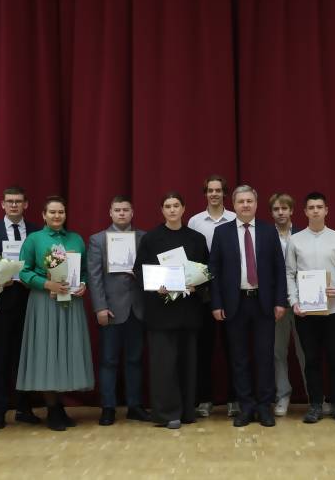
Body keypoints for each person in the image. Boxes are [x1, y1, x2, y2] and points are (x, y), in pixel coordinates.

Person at [209, 184, 288, 427]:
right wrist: (216, 303)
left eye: (249, 201)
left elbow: (279, 268)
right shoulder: (222, 233)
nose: (245, 205)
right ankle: (246, 406)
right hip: (234, 304)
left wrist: (280, 301)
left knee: (265, 356)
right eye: (241, 201)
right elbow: (214, 271)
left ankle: (264, 406)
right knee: (239, 358)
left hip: (264, 303)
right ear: (233, 205)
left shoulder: (268, 231)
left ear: (256, 204)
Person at [16, 196, 94, 431]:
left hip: (71, 302)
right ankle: (52, 409)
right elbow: (24, 272)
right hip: (44, 302)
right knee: (47, 351)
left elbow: (85, 271)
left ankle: (59, 406)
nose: (57, 216)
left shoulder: (76, 239)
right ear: (43, 215)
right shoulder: (34, 239)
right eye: (52, 212)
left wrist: (83, 284)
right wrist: (46, 284)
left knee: (65, 351)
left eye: (61, 212)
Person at [133, 192, 209, 429]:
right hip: (161, 312)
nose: (172, 209)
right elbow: (139, 271)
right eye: (168, 206)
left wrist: (197, 285)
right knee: (164, 366)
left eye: (176, 205)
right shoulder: (151, 238)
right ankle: (167, 414)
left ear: (184, 208)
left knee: (188, 364)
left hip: (188, 310)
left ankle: (187, 411)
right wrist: (157, 286)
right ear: (162, 210)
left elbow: (206, 271)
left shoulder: (196, 239)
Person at [286, 192, 335, 423]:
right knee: (311, 360)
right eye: (311, 207)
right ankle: (315, 404)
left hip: (334, 311)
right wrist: (294, 301)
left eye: (319, 207)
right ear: (305, 212)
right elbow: (290, 273)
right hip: (306, 312)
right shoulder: (295, 240)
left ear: (326, 210)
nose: (315, 210)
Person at [0, 186, 41, 428]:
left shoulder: (36, 231)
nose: (14, 205)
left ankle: (24, 407)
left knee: (27, 356)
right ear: (2, 204)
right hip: (1, 301)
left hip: (31, 299)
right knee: (1, 356)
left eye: (18, 201)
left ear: (26, 205)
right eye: (9, 201)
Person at [87, 196, 150, 425]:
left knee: (135, 360)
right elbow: (94, 276)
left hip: (138, 308)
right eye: (117, 210)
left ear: (132, 213)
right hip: (111, 309)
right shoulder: (98, 240)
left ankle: (135, 406)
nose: (122, 213)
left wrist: (140, 274)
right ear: (110, 213)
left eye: (125, 210)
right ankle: (108, 407)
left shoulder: (144, 238)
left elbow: (153, 270)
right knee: (108, 360)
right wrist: (100, 307)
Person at [187, 174, 239, 417]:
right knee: (203, 347)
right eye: (210, 190)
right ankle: (204, 399)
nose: (214, 194)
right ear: (205, 193)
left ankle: (234, 399)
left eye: (218, 190)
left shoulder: (235, 218)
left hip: (231, 290)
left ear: (224, 193)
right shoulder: (195, 221)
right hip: (202, 291)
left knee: (233, 347)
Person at [269, 192, 307, 417]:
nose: (280, 213)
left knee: (306, 351)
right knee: (277, 351)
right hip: (277, 302)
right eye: (276, 209)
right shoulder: (265, 236)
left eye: (284, 208)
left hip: (303, 300)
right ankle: (282, 395)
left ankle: (315, 396)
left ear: (292, 210)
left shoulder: (303, 235)